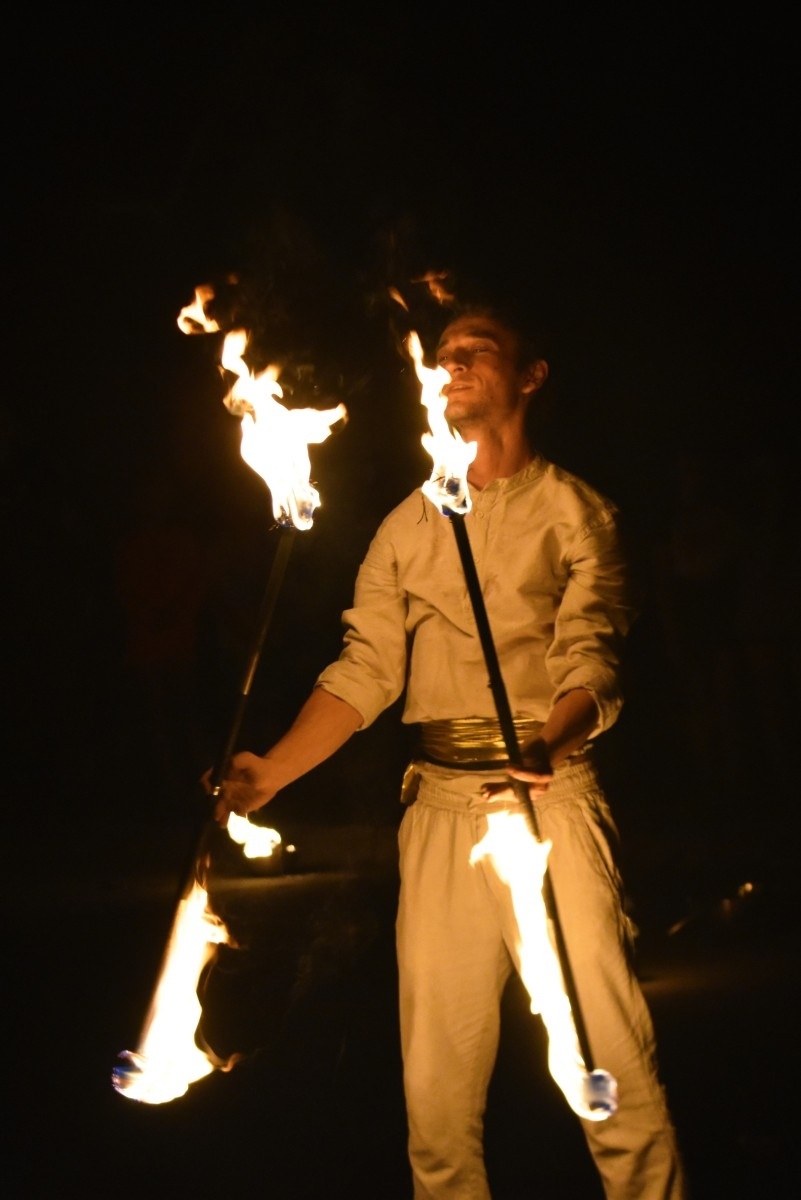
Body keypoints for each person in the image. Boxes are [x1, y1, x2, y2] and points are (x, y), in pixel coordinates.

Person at [209, 300, 686, 1199]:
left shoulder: (577, 515)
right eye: (445, 353)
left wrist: (548, 740)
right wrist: (271, 769)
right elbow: (365, 670)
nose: (455, 363)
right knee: (436, 1089)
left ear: (530, 375)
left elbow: (595, 662)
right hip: (434, 810)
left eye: (480, 350)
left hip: (552, 805)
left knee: (607, 1062)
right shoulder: (405, 527)